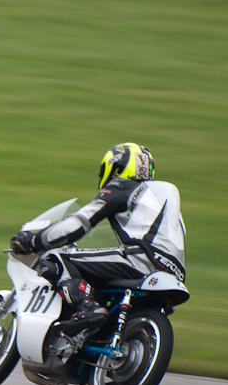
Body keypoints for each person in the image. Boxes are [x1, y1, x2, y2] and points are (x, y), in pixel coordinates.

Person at [10, 143, 186, 334]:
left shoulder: (123, 186)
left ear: (115, 166)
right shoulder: (165, 203)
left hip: (140, 260)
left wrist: (35, 241)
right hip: (174, 274)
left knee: (56, 258)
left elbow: (78, 223)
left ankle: (86, 307)